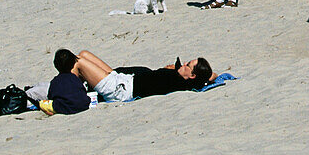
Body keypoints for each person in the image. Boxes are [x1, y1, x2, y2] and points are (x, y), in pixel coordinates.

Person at [0, 48, 89, 117]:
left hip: (53, 98)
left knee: (24, 97)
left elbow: (53, 96)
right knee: (35, 88)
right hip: (59, 93)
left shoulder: (57, 82)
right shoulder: (73, 80)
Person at [74, 50, 215, 102]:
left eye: (188, 65)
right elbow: (212, 75)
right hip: (123, 78)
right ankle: (78, 86)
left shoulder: (180, 83)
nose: (184, 63)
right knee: (84, 54)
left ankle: (69, 94)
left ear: (192, 75)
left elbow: (209, 77)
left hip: (121, 89)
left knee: (77, 62)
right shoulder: (186, 77)